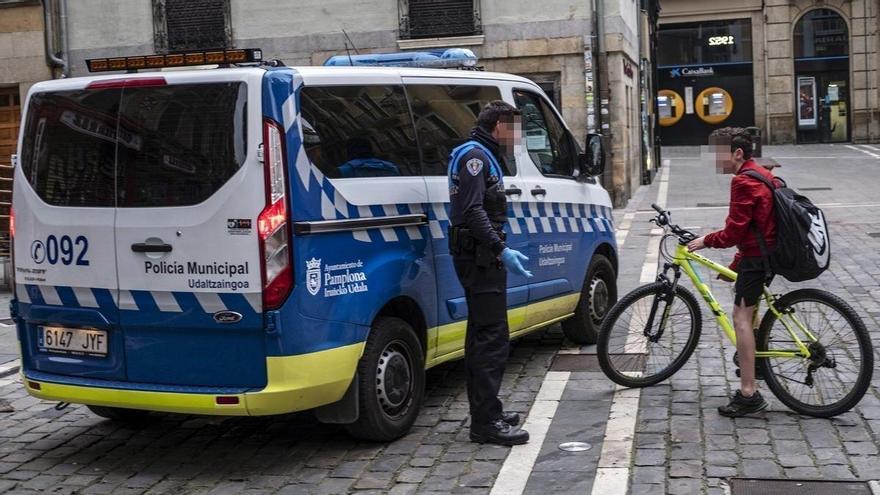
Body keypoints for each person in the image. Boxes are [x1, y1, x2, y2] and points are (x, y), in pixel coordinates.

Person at [448, 100, 532, 445]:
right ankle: (485, 423)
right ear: (499, 125)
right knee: (492, 338)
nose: (517, 137)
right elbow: (472, 210)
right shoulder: (475, 157)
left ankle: (488, 410)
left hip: (480, 254)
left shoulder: (481, 153)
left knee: (481, 335)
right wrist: (500, 249)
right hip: (480, 257)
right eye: (514, 129)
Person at [687, 128, 778, 418]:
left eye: (719, 154)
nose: (716, 161)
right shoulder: (762, 174)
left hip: (757, 260)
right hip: (766, 255)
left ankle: (748, 393)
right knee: (749, 315)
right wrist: (736, 264)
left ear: (737, 153)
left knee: (740, 318)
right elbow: (758, 227)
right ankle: (756, 361)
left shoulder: (743, 181)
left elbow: (735, 230)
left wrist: (705, 240)